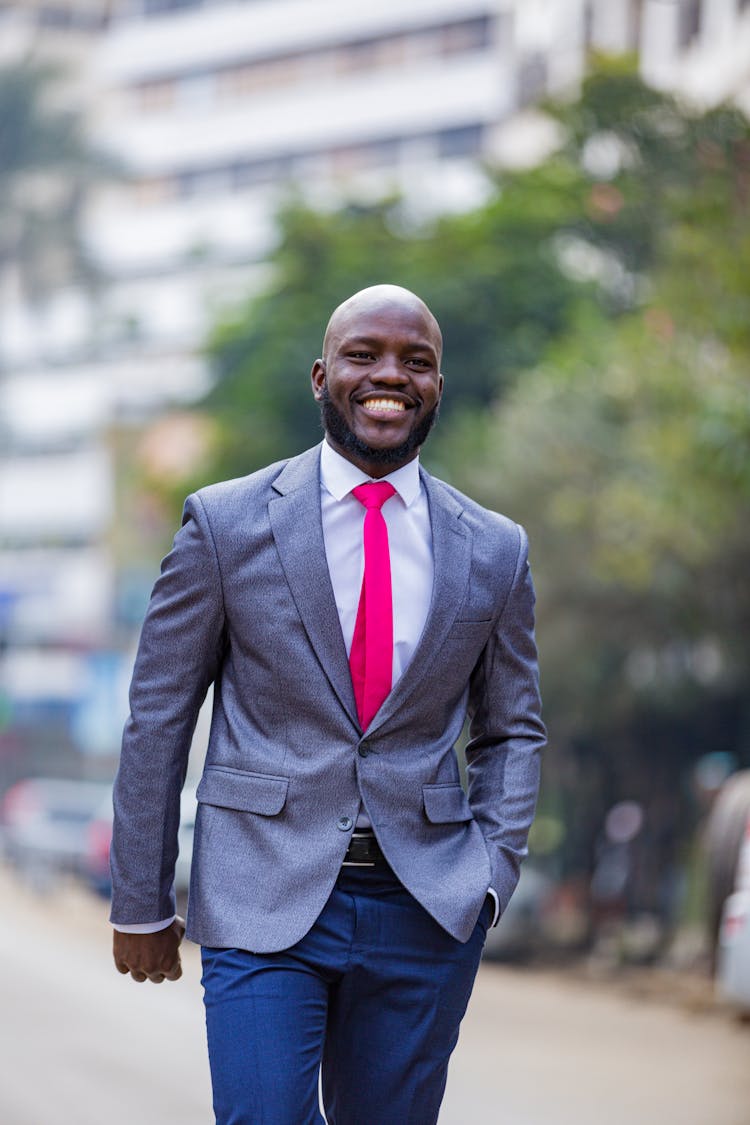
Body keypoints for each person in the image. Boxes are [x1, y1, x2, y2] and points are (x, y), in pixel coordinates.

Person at [111, 284, 545, 1124]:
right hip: (260, 893)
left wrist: (490, 877)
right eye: (364, 355)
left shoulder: (494, 548)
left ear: (438, 389)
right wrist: (141, 897)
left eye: (416, 361)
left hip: (427, 905)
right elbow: (159, 716)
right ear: (322, 376)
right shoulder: (226, 524)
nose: (390, 375)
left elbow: (513, 727)